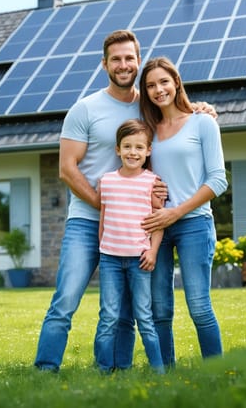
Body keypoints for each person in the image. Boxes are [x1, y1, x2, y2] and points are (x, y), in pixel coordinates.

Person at [33, 30, 215, 372]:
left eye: (129, 58)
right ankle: (45, 368)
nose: (123, 65)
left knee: (128, 309)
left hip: (135, 228)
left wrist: (201, 108)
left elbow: (177, 122)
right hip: (87, 221)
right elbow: (67, 169)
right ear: (105, 64)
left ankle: (119, 369)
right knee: (66, 299)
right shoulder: (84, 108)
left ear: (138, 60)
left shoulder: (148, 105)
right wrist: (108, 207)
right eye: (115, 59)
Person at [138, 56, 228, 369]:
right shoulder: (148, 130)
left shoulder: (203, 122)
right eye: (150, 85)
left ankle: (215, 373)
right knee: (159, 308)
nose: (158, 89)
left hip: (194, 224)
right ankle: (165, 373)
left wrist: (175, 212)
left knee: (200, 306)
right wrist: (153, 193)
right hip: (158, 226)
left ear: (176, 82)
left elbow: (217, 180)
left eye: (164, 81)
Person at [94, 119, 164, 373]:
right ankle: (103, 370)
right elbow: (103, 218)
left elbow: (158, 222)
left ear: (148, 151)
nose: (132, 152)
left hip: (139, 260)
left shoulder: (152, 182)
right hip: (111, 259)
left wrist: (153, 250)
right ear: (117, 150)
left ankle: (158, 371)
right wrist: (102, 250)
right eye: (127, 147)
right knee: (109, 317)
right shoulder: (107, 181)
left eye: (138, 147)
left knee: (144, 317)